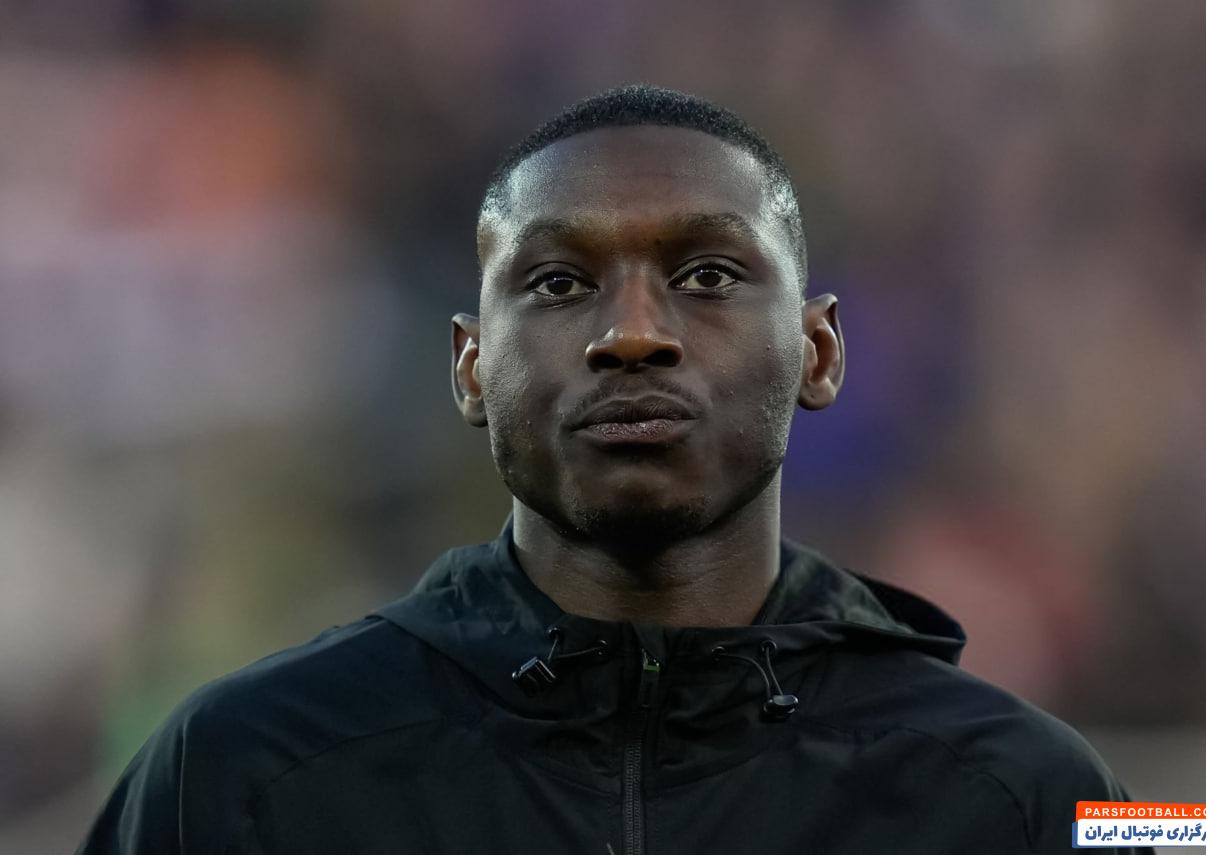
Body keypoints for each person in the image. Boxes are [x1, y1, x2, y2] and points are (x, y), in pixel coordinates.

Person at [78, 85, 1151, 855]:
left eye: (706, 274)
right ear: (470, 369)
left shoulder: (1023, 799)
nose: (632, 333)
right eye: (556, 282)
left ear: (818, 350)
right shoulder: (243, 774)